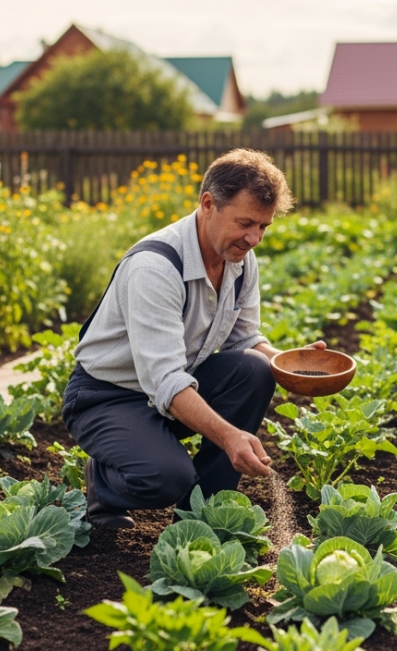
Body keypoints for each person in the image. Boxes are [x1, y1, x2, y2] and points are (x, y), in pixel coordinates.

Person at [62, 148, 323, 528]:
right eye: (246, 222)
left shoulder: (238, 259)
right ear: (208, 204)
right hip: (107, 397)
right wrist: (230, 436)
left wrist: (290, 364)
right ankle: (102, 483)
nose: (255, 239)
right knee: (167, 477)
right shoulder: (156, 267)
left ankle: (202, 517)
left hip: (172, 390)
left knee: (255, 370)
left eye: (264, 226)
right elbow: (166, 380)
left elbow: (244, 339)